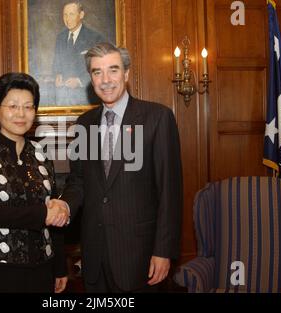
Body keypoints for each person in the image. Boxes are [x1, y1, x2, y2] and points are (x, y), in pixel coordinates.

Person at [48, 43, 183, 292]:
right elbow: (78, 181)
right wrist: (64, 204)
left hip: (140, 257)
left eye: (113, 70)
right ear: (91, 78)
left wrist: (163, 251)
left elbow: (169, 192)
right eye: (97, 72)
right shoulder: (84, 124)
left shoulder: (157, 118)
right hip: (94, 255)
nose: (106, 80)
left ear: (127, 74)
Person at [0, 72, 69, 293]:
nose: (21, 114)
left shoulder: (41, 155)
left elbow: (54, 213)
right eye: (12, 106)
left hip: (42, 267)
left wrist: (60, 267)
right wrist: (41, 214)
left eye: (28, 107)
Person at [52, 1, 106, 105]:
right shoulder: (60, 37)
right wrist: (57, 75)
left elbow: (101, 69)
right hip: (63, 99)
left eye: (71, 14)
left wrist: (80, 81)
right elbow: (56, 65)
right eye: (65, 15)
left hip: (86, 98)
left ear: (81, 15)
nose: (67, 19)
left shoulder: (94, 37)